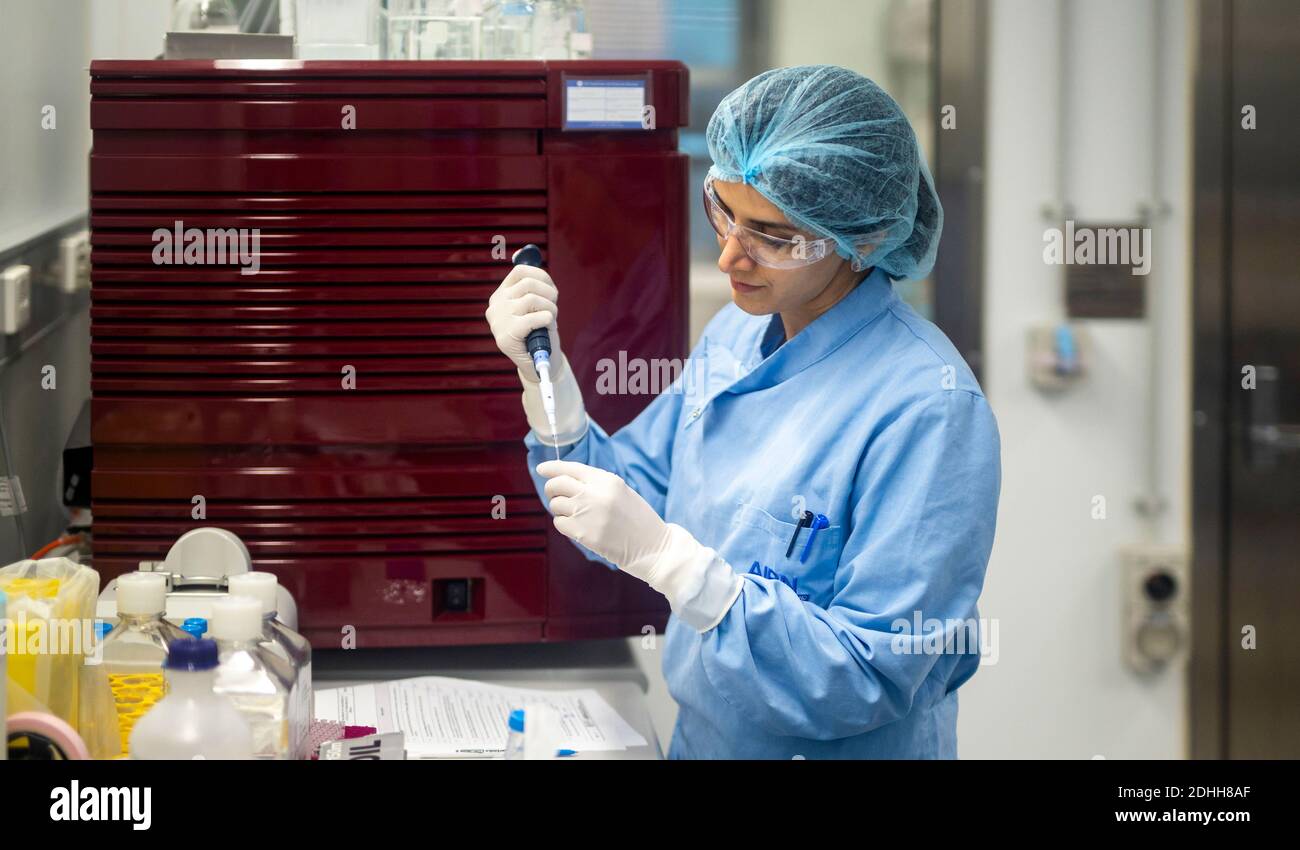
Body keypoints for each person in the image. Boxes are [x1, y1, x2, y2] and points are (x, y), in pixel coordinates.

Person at [484, 65, 1000, 758]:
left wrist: (678, 565)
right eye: (723, 211)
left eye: (773, 236)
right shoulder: (737, 338)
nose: (730, 254)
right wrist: (541, 376)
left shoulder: (927, 411)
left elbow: (870, 675)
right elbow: (612, 505)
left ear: (864, 239)